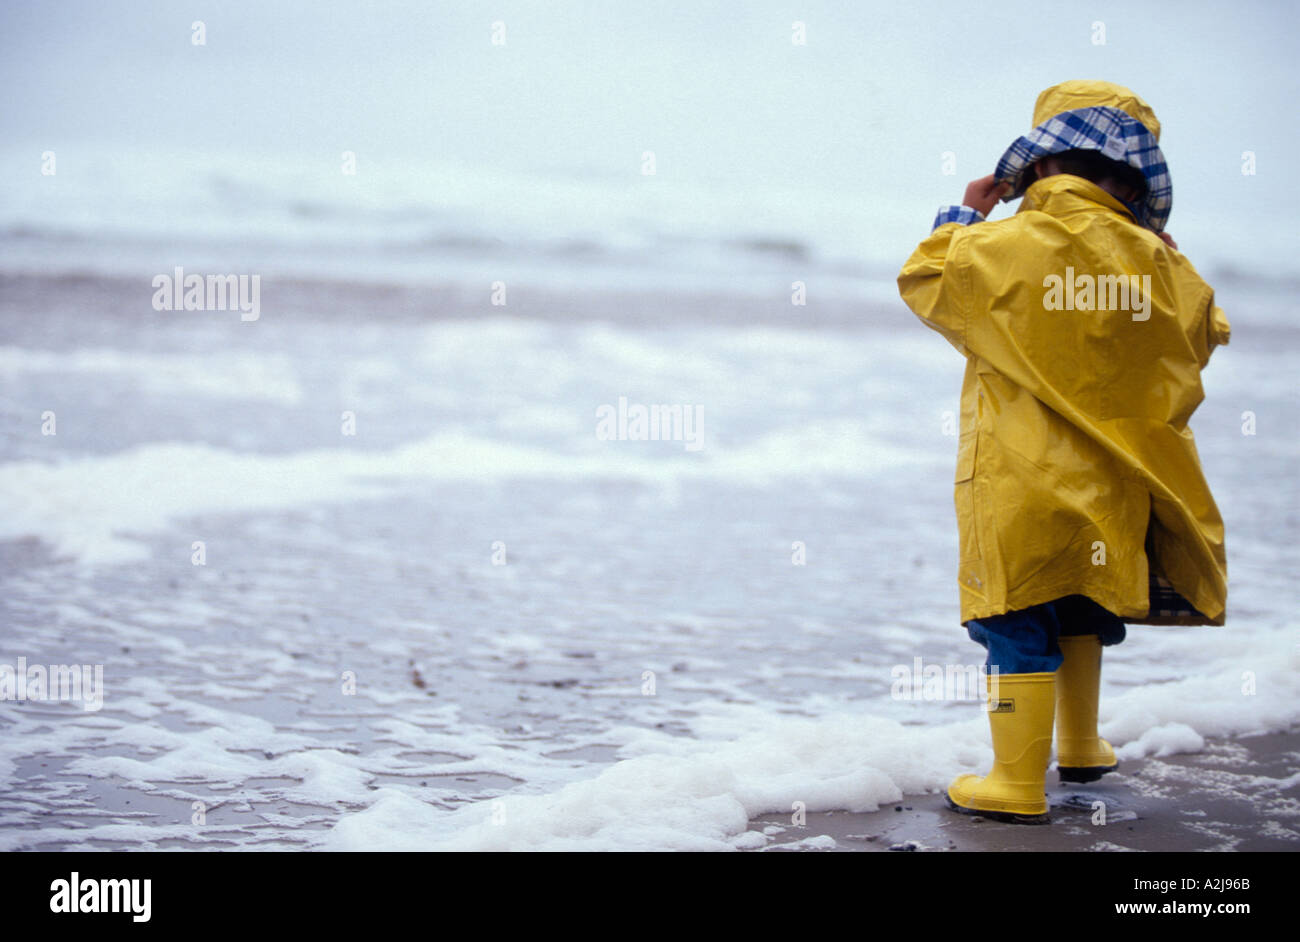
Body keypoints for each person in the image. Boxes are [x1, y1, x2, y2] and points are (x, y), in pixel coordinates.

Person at [897, 80, 1231, 824]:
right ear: (1137, 183)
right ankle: (1081, 744)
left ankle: (1015, 782)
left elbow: (924, 281)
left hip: (1020, 478)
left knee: (1016, 613)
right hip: (1113, 481)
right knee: (1086, 601)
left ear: (1039, 166)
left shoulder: (999, 245)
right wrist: (1163, 259)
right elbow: (1204, 332)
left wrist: (966, 213)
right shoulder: (1161, 265)